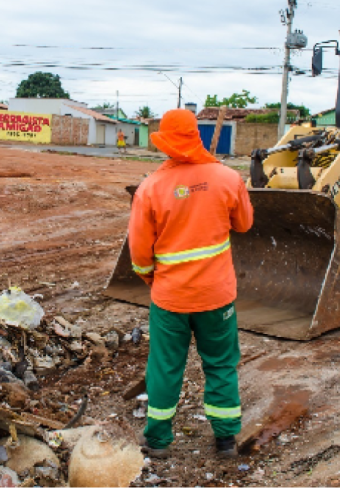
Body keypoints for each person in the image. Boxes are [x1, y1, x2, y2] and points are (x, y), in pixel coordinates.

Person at [128, 109, 254, 459]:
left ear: (165, 142)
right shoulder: (228, 178)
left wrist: (151, 279)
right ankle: (226, 440)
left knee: (165, 367)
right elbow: (243, 224)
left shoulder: (150, 188)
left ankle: (157, 442)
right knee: (221, 364)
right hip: (217, 297)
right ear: (196, 136)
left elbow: (139, 253)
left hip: (170, 299)